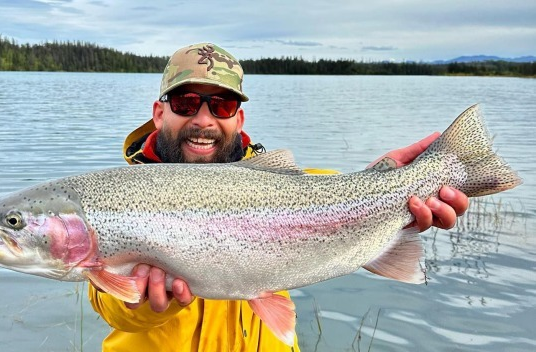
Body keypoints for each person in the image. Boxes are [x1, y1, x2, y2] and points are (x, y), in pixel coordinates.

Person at [89, 43, 469, 352]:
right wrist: (139, 301)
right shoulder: (118, 201)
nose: (204, 120)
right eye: (186, 103)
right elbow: (112, 310)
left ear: (238, 120)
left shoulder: (279, 186)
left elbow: (330, 193)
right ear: (159, 114)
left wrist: (383, 182)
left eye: (222, 105)